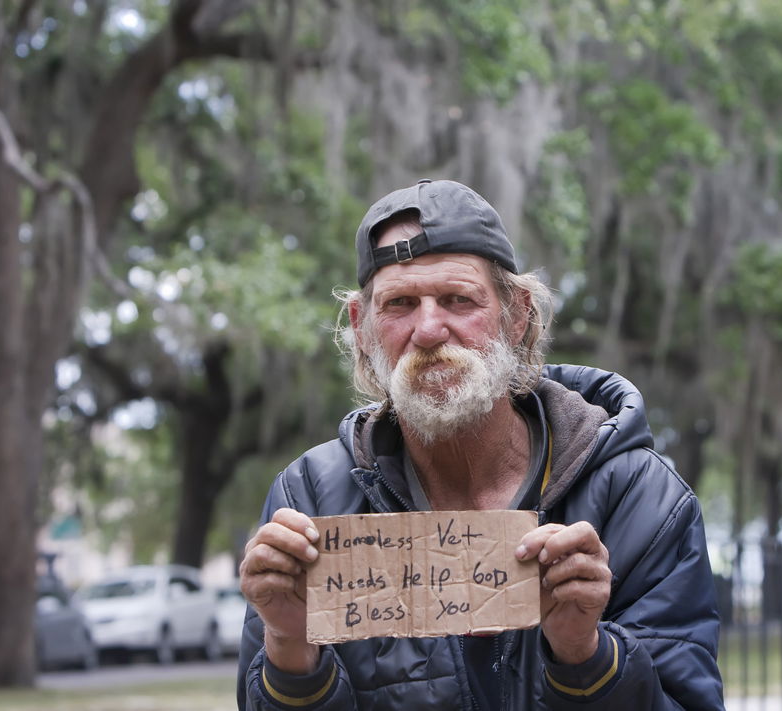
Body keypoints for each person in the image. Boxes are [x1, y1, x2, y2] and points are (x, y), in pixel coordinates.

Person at [237, 179, 724, 710]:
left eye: (457, 299)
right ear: (363, 327)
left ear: (517, 315)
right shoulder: (307, 499)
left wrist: (587, 655)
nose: (428, 330)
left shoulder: (640, 498)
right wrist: (288, 647)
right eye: (399, 303)